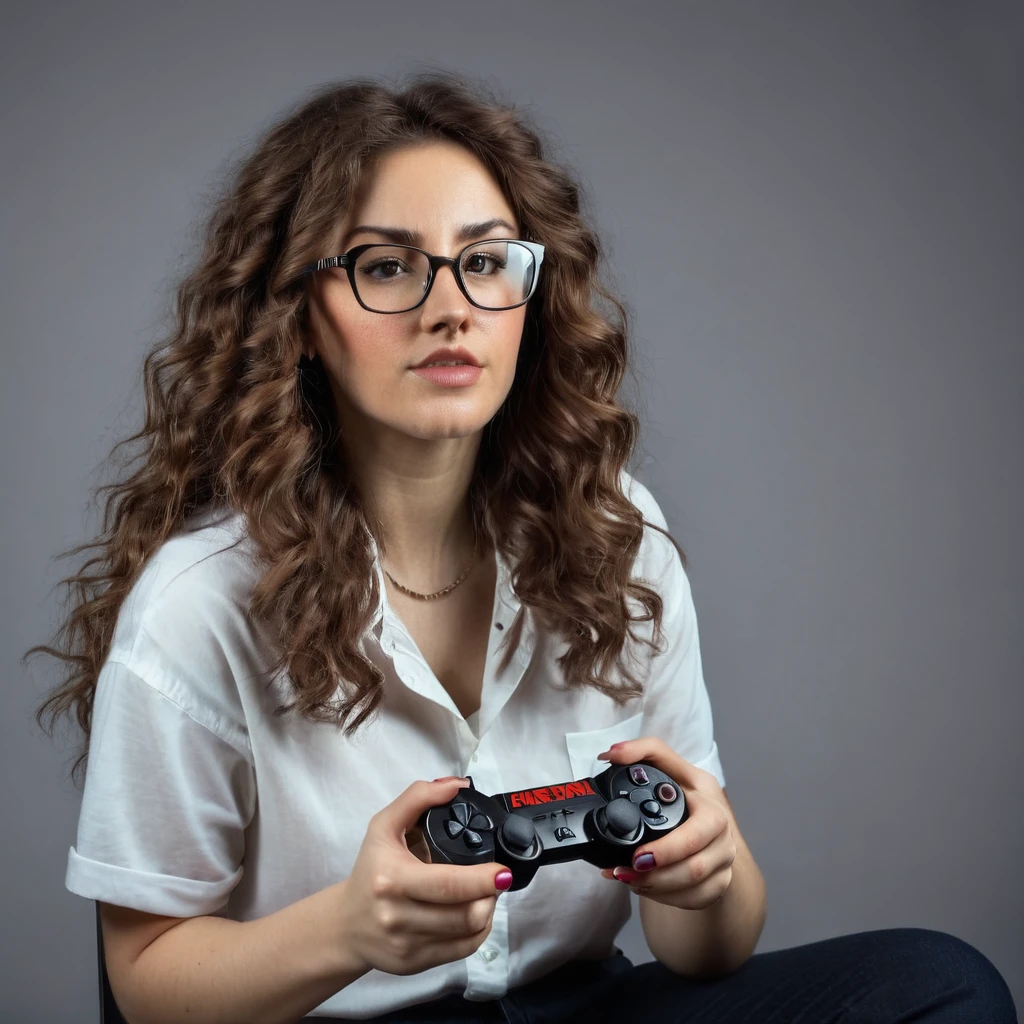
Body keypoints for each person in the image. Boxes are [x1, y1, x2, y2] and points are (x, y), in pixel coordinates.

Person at [30, 71, 1015, 1024]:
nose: (451, 304)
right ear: (298, 319)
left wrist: (711, 874)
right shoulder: (199, 601)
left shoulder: (617, 532)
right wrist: (345, 930)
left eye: (487, 259)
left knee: (940, 983)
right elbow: (147, 981)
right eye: (386, 266)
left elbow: (697, 949)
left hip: (583, 1000)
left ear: (528, 297)